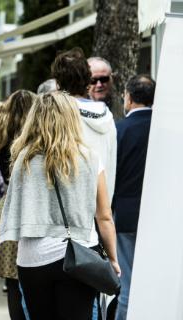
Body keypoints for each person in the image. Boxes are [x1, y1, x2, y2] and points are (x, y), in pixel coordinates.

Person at [0, 91, 120, 320]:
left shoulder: (23, 159)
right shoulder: (89, 158)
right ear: (71, 118)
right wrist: (112, 258)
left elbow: (15, 207)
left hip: (32, 258)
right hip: (80, 254)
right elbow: (104, 217)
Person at [0, 90, 36, 320]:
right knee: (33, 272)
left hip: (9, 207)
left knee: (12, 278)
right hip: (34, 206)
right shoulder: (37, 137)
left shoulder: (1, 136)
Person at [113, 75, 155, 320]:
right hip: (161, 215)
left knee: (127, 281)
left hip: (126, 216)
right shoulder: (167, 130)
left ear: (128, 98)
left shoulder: (119, 130)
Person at [53, 48, 117, 199]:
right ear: (88, 82)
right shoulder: (108, 117)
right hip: (102, 206)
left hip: (71, 209)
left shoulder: (59, 116)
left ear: (57, 84)